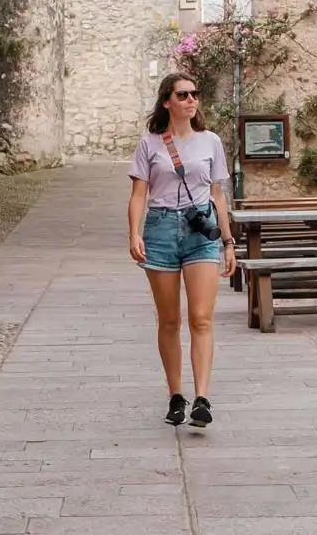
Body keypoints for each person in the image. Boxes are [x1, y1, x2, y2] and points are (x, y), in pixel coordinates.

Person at [128, 72, 237, 428]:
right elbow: (139, 193)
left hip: (200, 230)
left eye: (195, 94)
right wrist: (134, 233)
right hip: (160, 228)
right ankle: (176, 395)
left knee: (201, 318)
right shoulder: (150, 144)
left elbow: (218, 194)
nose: (191, 100)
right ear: (167, 102)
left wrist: (228, 241)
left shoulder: (211, 142)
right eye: (183, 95)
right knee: (170, 320)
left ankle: (202, 398)